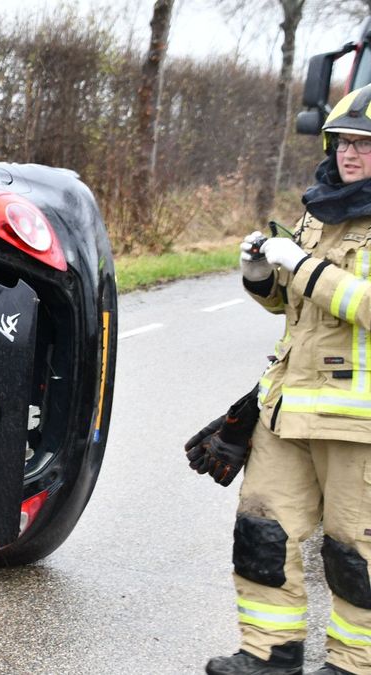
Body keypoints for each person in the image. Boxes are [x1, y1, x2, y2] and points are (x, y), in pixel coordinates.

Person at [206, 84, 371, 675]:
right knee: (261, 532)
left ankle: (354, 665)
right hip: (287, 407)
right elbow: (294, 307)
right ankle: (267, 656)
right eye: (344, 141)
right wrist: (261, 276)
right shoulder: (321, 209)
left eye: (365, 144)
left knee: (354, 554)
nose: (350, 154)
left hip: (359, 424)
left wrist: (301, 266)